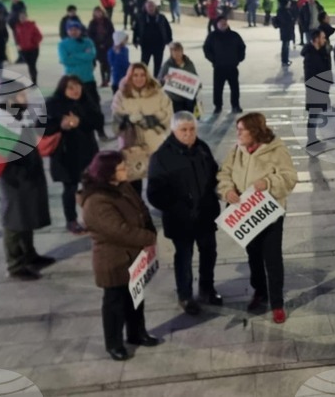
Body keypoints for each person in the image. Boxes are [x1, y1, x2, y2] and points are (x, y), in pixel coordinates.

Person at [80, 151, 162, 361]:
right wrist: (148, 237)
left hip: (133, 256)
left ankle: (136, 333)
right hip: (113, 260)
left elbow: (142, 208)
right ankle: (114, 343)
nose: (126, 170)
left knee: (135, 297)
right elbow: (118, 231)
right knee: (114, 303)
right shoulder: (97, 201)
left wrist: (150, 229)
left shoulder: (122, 186)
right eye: (121, 168)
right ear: (108, 173)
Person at [217, 113, 297, 324]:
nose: (238, 134)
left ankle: (277, 303)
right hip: (246, 215)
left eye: (242, 130)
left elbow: (290, 177)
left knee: (272, 258)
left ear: (254, 131)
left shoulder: (276, 149)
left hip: (269, 214)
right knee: (253, 256)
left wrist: (268, 182)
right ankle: (260, 291)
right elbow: (224, 174)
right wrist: (227, 191)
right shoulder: (236, 150)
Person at [147, 112, 224, 313]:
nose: (189, 134)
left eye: (192, 129)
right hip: (181, 220)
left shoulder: (202, 148)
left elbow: (215, 175)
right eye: (184, 130)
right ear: (174, 130)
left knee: (209, 253)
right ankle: (185, 296)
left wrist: (221, 190)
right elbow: (154, 194)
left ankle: (207, 289)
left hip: (205, 215)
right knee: (184, 257)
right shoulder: (162, 156)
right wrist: (178, 206)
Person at [0, 87, 53, 281]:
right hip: (15, 178)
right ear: (11, 99)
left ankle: (29, 255)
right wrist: (20, 172)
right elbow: (1, 154)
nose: (26, 98)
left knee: (27, 214)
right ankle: (15, 264)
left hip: (28, 174)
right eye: (22, 95)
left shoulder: (19, 116)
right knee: (14, 219)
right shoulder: (1, 123)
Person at [43, 75, 101, 235]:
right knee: (70, 188)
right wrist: (60, 125)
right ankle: (71, 220)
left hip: (87, 152)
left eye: (77, 86)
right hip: (65, 155)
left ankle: (93, 217)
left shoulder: (87, 102)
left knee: (91, 187)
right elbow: (41, 128)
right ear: (63, 89)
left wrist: (80, 121)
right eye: (70, 87)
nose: (75, 90)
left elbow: (99, 122)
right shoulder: (52, 104)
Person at [111, 63, 173, 193]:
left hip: (155, 145)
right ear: (130, 77)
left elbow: (168, 115)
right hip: (131, 146)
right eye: (135, 75)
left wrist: (150, 120)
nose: (139, 78)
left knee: (157, 180)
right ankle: (136, 209)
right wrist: (127, 119)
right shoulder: (121, 95)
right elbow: (116, 120)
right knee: (133, 181)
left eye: (142, 75)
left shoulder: (158, 94)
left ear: (147, 76)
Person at [58, 19, 104, 136]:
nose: (73, 32)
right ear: (67, 31)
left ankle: (100, 130)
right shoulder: (62, 44)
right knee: (74, 108)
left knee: (94, 106)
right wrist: (83, 55)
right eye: (71, 29)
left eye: (76, 29)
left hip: (88, 79)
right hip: (72, 82)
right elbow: (65, 59)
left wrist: (73, 55)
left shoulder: (87, 42)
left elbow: (91, 55)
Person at [203, 16, 247, 114]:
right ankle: (218, 106)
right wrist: (213, 59)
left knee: (234, 87)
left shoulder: (234, 35)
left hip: (232, 66)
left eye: (225, 22)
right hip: (219, 67)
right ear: (217, 24)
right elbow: (206, 49)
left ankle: (235, 105)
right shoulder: (212, 36)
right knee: (218, 88)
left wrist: (239, 59)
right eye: (221, 22)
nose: (223, 23)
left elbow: (242, 47)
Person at [303, 29, 333, 149]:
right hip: (315, 91)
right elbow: (311, 76)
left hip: (321, 90)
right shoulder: (311, 55)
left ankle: (313, 139)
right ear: (316, 39)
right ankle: (311, 141)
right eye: (323, 38)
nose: (324, 40)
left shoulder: (319, 52)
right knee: (313, 116)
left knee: (315, 116)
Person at [158, 42, 200, 114]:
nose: (177, 53)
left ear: (182, 51)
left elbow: (195, 77)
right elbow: (159, 81)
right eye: (174, 51)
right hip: (174, 99)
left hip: (188, 98)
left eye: (179, 51)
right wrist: (164, 79)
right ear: (171, 53)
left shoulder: (189, 63)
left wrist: (197, 85)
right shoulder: (167, 65)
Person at [134, 1, 173, 76]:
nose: (150, 8)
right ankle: (143, 79)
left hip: (159, 45)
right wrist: (135, 40)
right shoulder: (141, 18)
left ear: (155, 7)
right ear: (145, 8)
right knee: (144, 64)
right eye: (149, 7)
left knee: (158, 64)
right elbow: (136, 30)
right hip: (146, 45)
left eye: (152, 6)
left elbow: (168, 29)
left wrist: (169, 40)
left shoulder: (161, 17)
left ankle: (156, 81)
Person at [86, 7, 115, 88]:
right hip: (97, 46)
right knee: (102, 63)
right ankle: (103, 80)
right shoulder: (92, 23)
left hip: (107, 45)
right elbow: (90, 35)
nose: (98, 14)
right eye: (97, 12)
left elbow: (112, 33)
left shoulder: (107, 22)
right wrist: (97, 43)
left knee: (108, 62)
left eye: (100, 12)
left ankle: (108, 78)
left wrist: (106, 43)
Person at [13, 11, 43, 86]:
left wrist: (34, 42)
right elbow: (18, 37)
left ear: (26, 17)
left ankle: (34, 81)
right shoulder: (18, 26)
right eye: (21, 17)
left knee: (32, 65)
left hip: (33, 49)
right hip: (24, 50)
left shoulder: (32, 25)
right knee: (29, 65)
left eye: (24, 17)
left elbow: (39, 36)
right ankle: (33, 80)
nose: (22, 19)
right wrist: (18, 45)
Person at [276, 0, 297, 68]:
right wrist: (291, 20)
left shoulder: (282, 11)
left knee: (285, 46)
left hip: (285, 31)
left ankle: (285, 60)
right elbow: (287, 21)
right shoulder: (284, 11)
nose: (289, 4)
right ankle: (285, 60)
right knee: (285, 46)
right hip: (286, 31)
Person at [108, 31, 131, 95]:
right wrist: (118, 54)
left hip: (125, 75)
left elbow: (126, 61)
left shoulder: (125, 49)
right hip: (117, 76)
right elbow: (112, 63)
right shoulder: (111, 51)